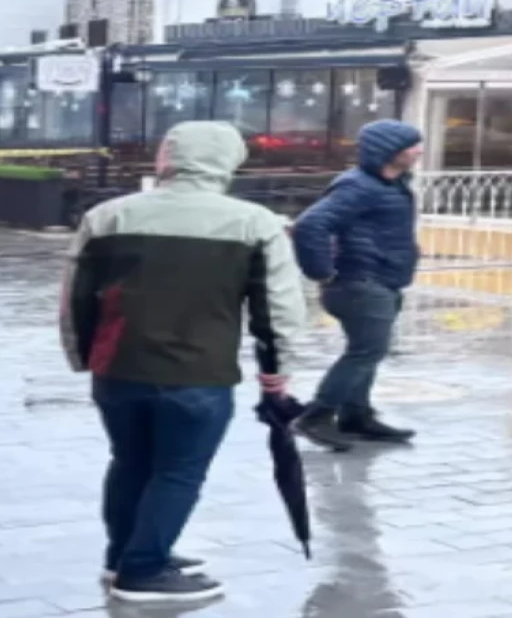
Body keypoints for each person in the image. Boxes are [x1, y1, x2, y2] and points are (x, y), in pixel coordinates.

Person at [59, 121, 306, 604]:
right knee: (178, 471)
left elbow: (76, 298)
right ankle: (144, 571)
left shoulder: (108, 216)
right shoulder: (254, 223)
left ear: (166, 158)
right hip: (199, 373)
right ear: (230, 161)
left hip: (117, 369)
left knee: (130, 462)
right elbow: (277, 307)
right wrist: (276, 371)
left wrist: (84, 356)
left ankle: (124, 556)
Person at [288, 119, 424, 452]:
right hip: (360, 283)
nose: (419, 151)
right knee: (366, 351)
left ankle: (356, 416)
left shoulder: (392, 184)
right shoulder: (359, 186)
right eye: (411, 146)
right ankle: (316, 417)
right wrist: (321, 272)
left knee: (368, 351)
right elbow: (309, 225)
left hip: (383, 281)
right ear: (389, 151)